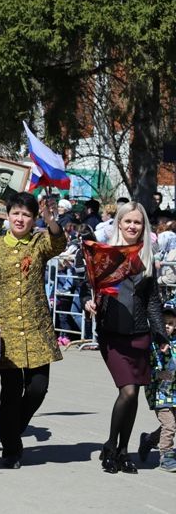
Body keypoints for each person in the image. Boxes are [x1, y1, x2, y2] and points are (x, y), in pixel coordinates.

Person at [0, 191, 65, 469]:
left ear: (33, 218)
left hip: (36, 326)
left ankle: (13, 427)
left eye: (26, 214)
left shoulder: (39, 241)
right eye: (16, 213)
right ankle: (11, 449)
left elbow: (58, 244)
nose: (20, 218)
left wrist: (52, 222)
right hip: (4, 329)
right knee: (12, 391)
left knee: (39, 387)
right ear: (8, 215)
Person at [83, 201, 166, 474]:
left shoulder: (146, 256)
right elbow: (90, 287)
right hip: (113, 334)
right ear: (118, 223)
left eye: (137, 222)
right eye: (127, 221)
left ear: (143, 226)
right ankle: (110, 445)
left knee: (133, 397)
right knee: (127, 391)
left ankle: (122, 451)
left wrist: (161, 334)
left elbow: (152, 301)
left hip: (140, 335)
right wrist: (89, 303)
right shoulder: (105, 254)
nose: (132, 226)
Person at [139, 307, 176, 471]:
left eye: (170, 323)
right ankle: (166, 457)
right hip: (159, 393)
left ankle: (149, 440)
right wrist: (158, 374)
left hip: (173, 392)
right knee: (170, 425)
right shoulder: (150, 345)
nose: (167, 326)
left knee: (171, 424)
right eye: (164, 323)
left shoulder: (174, 344)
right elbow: (144, 369)